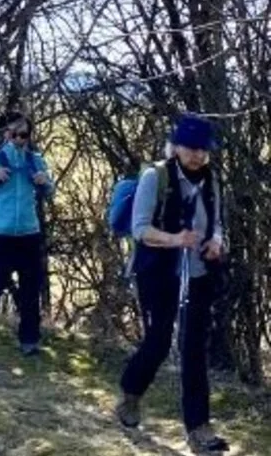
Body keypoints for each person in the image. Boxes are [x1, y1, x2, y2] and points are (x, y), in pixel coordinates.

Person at [115, 114, 229, 453]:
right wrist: (175, 238)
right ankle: (130, 395)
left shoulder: (211, 179)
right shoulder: (156, 177)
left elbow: (217, 222)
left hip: (197, 274)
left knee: (194, 349)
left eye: (202, 150)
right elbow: (140, 229)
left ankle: (199, 428)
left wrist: (217, 242)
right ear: (176, 146)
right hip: (158, 272)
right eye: (191, 148)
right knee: (159, 341)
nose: (197, 155)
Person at [0, 111, 54, 355]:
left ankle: (29, 340)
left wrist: (44, 182)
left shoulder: (36, 161)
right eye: (13, 133)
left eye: (23, 134)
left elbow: (50, 191)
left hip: (28, 232)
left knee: (30, 288)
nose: (18, 138)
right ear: (5, 134)